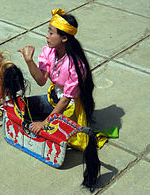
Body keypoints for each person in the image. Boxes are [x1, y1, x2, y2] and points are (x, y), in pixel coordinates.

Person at [18, 8, 95, 151]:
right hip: (53, 99)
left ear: (64, 38)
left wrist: (45, 123)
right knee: (20, 106)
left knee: (49, 133)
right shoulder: (50, 52)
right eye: (48, 32)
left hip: (69, 108)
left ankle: (49, 120)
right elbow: (41, 80)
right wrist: (29, 61)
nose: (47, 36)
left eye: (51, 33)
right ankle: (47, 118)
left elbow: (66, 100)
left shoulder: (76, 65)